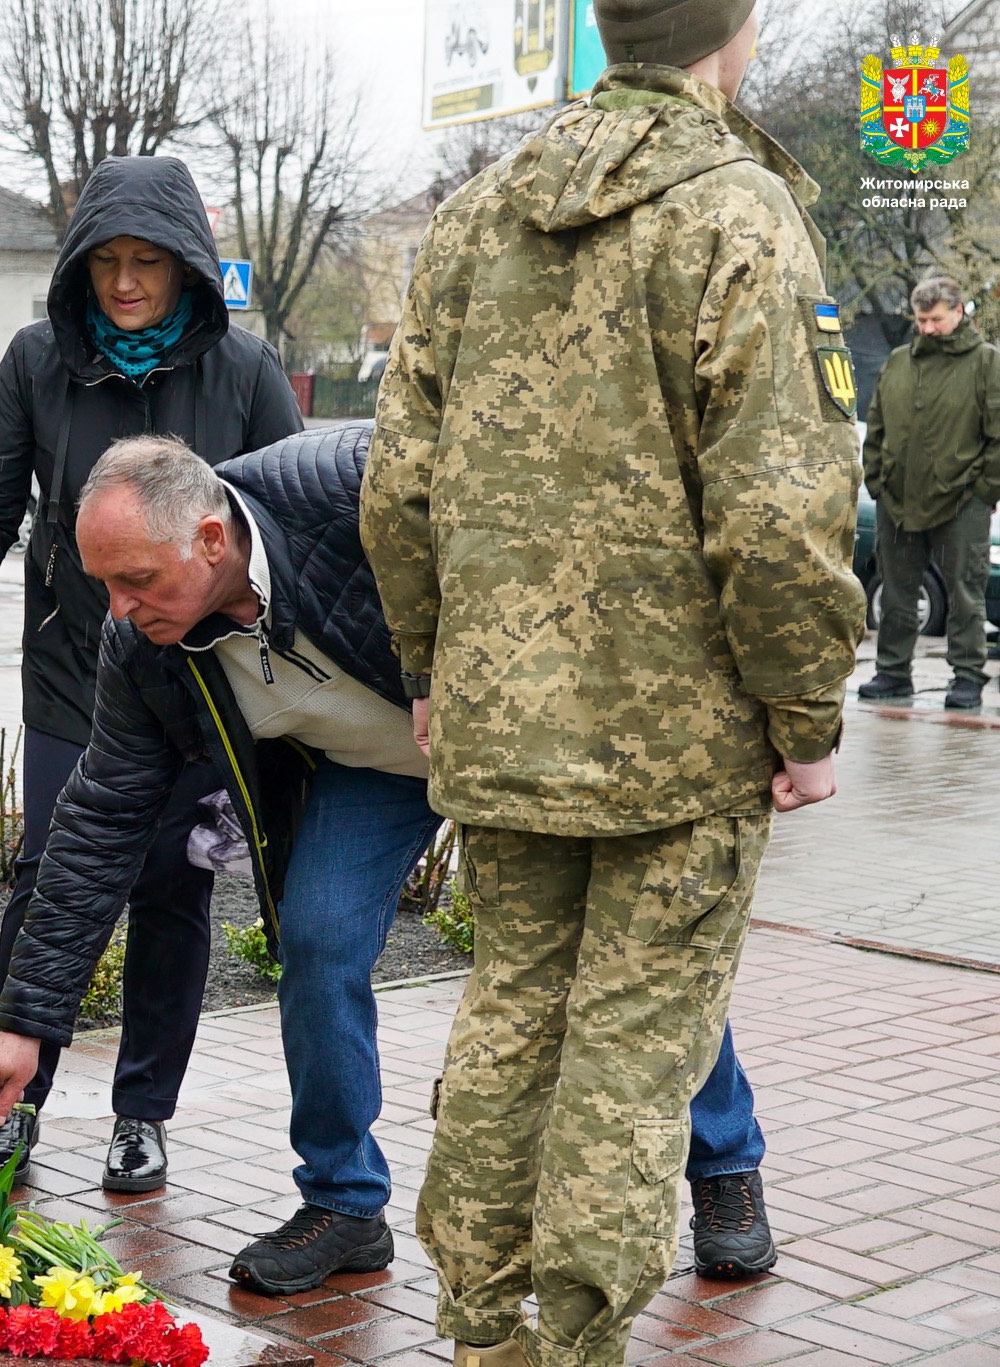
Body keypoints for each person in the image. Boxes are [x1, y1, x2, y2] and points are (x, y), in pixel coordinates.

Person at [0, 426, 786, 1300]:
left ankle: (725, 1165)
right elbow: (98, 823)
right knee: (316, 942)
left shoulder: (357, 490)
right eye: (105, 586)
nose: (120, 608)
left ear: (210, 539)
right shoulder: (145, 646)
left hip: (516, 744)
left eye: (137, 580)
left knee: (619, 948)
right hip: (374, 768)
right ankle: (344, 1201)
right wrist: (29, 1022)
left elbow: (555, 542)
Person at [362, 1, 865, 1362]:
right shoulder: (739, 213)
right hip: (682, 749)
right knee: (635, 1050)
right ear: (736, 28)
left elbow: (395, 480)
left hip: (506, 719)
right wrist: (806, 716)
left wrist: (427, 665)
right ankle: (574, 1341)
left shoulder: (478, 218)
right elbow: (781, 508)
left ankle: (481, 1325)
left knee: (515, 1008)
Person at [0, 156, 303, 1192]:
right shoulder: (39, 360)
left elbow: (289, 515)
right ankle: (11, 1105)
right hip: (75, 671)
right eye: (108, 263)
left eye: (147, 264)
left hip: (201, 679)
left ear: (184, 270)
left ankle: (141, 1113)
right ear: (81, 267)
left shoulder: (243, 370)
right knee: (50, 878)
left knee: (172, 890)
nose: (126, 283)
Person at [856, 275, 1000, 710]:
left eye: (936, 319)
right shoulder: (899, 362)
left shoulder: (986, 363)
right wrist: (876, 480)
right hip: (897, 499)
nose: (928, 328)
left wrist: (983, 491)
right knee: (897, 592)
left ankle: (968, 678)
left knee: (964, 594)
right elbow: (876, 425)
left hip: (962, 501)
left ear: (958, 312)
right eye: (921, 320)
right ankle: (893, 673)